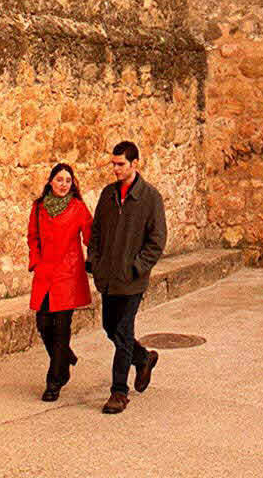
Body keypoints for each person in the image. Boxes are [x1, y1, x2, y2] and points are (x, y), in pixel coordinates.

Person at [87, 140, 167, 414]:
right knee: (110, 328)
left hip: (132, 280)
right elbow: (96, 233)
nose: (116, 169)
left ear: (135, 164)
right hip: (108, 278)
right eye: (114, 164)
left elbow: (157, 241)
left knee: (123, 332)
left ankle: (119, 392)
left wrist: (136, 267)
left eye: (121, 164)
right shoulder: (108, 195)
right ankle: (143, 357)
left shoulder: (150, 198)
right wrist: (96, 263)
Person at [27, 162, 93, 401]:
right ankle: (64, 357)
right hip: (45, 273)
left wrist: (96, 259)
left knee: (62, 327)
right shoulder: (38, 207)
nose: (64, 184)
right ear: (50, 182)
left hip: (68, 274)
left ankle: (55, 381)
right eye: (59, 179)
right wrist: (35, 261)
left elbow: (91, 236)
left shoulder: (77, 208)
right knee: (43, 323)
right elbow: (32, 237)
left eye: (68, 180)